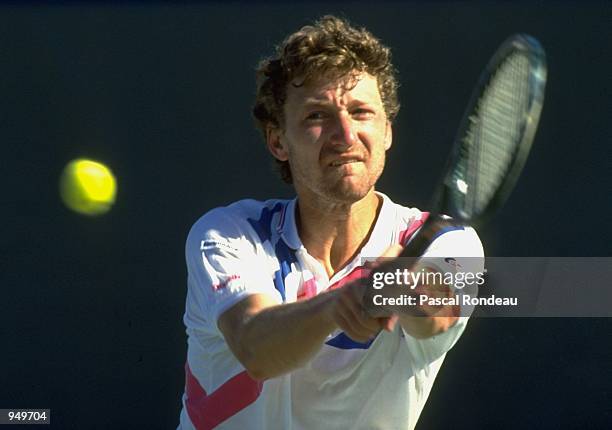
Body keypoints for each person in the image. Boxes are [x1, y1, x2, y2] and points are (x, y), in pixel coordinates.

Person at [177, 15, 483, 430]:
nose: (345, 134)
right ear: (278, 141)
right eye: (317, 116)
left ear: (387, 131)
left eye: (361, 112)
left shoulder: (448, 242)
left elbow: (437, 313)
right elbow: (256, 347)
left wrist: (404, 289)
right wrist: (337, 305)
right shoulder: (229, 234)